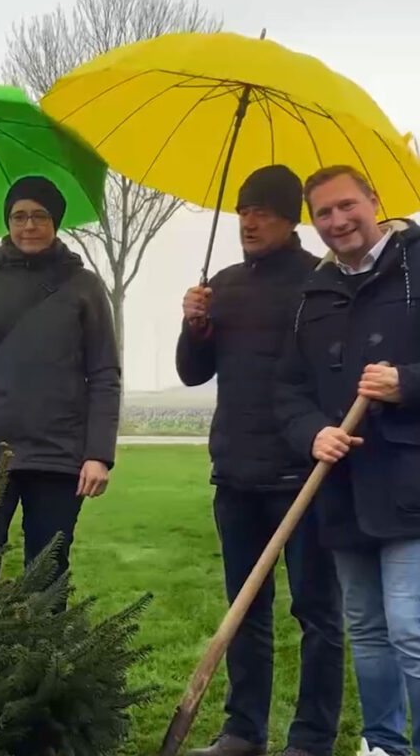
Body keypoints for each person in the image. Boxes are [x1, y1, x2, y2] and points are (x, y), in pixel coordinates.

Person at [176, 165, 344, 756]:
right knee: (245, 612)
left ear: (291, 218)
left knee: (317, 614)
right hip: (236, 473)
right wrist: (194, 325)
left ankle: (312, 738)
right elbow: (194, 373)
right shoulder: (221, 285)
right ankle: (244, 731)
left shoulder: (320, 283)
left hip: (304, 476)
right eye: (243, 210)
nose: (249, 221)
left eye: (264, 211)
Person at [276, 165, 420, 756]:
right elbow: (287, 390)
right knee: (366, 629)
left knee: (411, 628)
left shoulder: (416, 269)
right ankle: (383, 743)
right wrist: (313, 434)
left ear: (374, 201)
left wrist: (407, 382)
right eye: (323, 214)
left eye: (346, 206)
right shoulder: (314, 295)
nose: (337, 222)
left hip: (410, 485)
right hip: (341, 490)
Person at [0, 175, 120, 605]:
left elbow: (105, 373)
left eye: (39, 216)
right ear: (7, 221)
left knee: (47, 577)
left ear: (56, 222)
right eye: (18, 216)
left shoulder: (83, 287)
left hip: (57, 454)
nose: (28, 225)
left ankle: (42, 670)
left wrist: (98, 454)